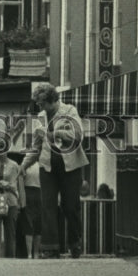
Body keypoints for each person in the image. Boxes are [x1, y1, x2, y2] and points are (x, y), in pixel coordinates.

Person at [19, 83, 88, 259]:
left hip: (70, 165)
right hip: (47, 166)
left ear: (52, 100)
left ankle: (75, 242)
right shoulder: (41, 117)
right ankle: (50, 247)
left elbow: (78, 135)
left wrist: (53, 133)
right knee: (47, 205)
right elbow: (36, 148)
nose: (40, 108)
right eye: (38, 105)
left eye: (42, 104)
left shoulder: (69, 111)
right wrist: (23, 166)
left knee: (70, 206)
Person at [22, 159, 42, 258]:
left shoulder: (40, 165)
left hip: (38, 192)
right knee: (29, 223)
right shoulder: (25, 165)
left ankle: (35, 253)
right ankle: (31, 253)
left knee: (37, 223)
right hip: (28, 192)